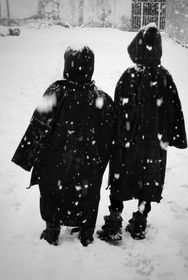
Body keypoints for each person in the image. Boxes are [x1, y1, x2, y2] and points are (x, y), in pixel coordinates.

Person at [12, 45, 115, 246]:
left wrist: (27, 156)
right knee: (87, 194)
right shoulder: (102, 99)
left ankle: (52, 230)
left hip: (54, 162)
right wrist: (100, 161)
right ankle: (86, 232)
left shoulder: (56, 92)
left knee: (52, 191)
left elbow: (38, 126)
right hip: (88, 164)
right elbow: (109, 138)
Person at [97, 23, 187, 242]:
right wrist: (174, 135)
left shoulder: (129, 76)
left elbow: (118, 111)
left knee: (121, 179)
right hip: (154, 146)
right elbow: (175, 110)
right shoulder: (165, 77)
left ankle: (115, 221)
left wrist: (113, 137)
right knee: (149, 181)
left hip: (128, 143)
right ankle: (140, 221)